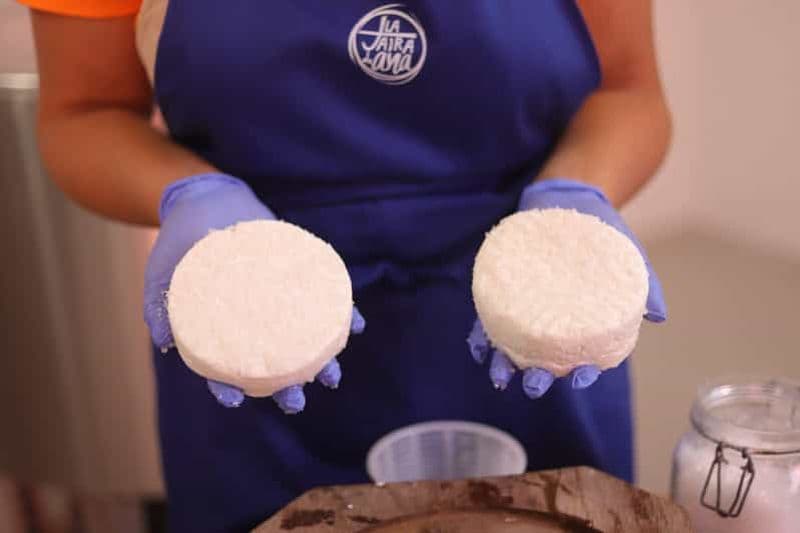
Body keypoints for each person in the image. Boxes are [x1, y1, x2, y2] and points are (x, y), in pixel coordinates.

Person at [23, 0, 671, 530]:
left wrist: (579, 189)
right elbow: (86, 112)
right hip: (252, 319)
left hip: (535, 323)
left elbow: (629, 92)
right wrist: (189, 194)